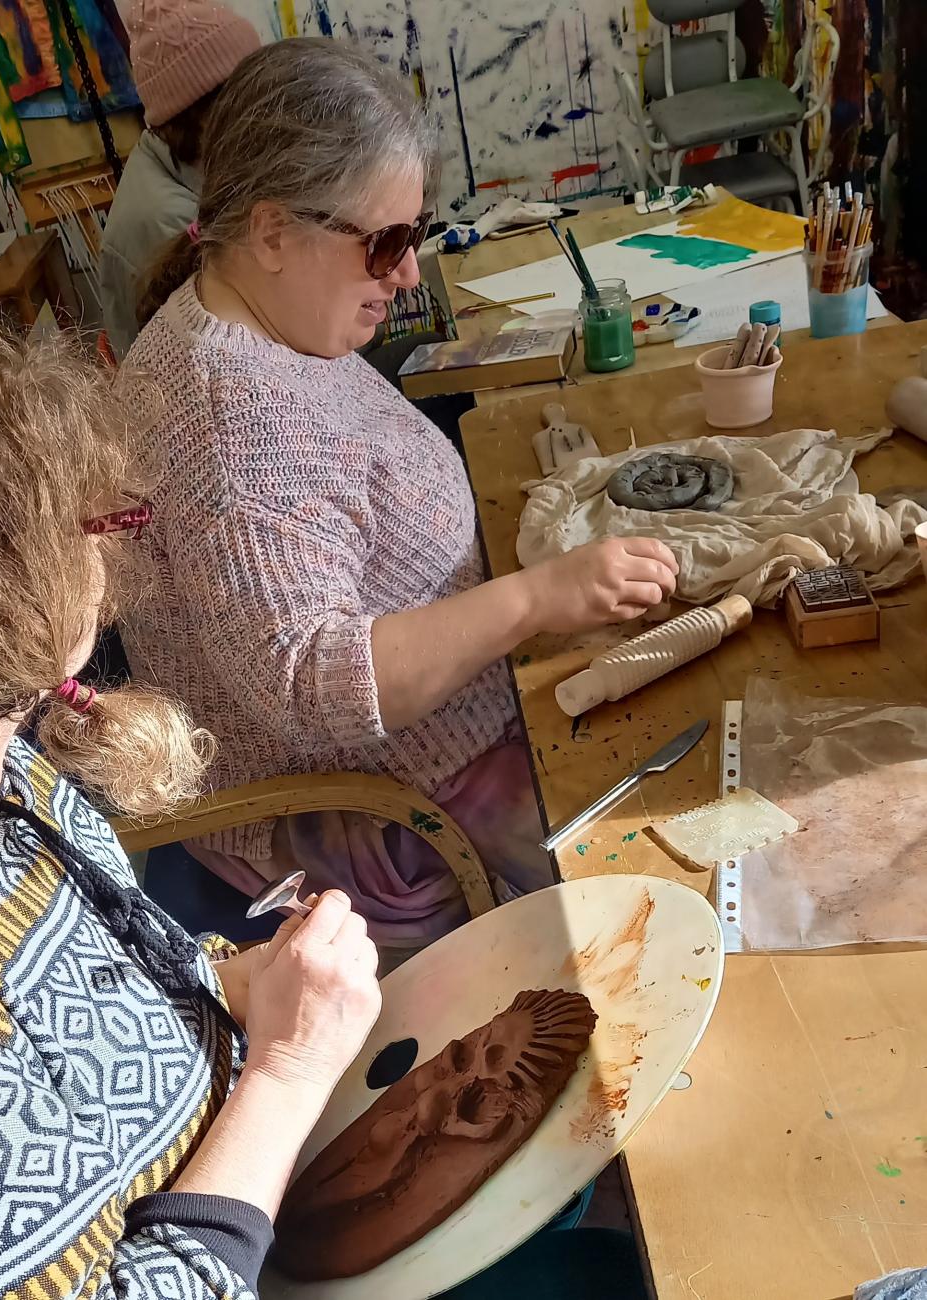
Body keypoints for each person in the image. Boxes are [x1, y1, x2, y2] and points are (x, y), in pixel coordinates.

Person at [0, 311, 380, 1298]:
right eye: (84, 524)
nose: (105, 553)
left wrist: (231, 983)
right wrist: (290, 1070)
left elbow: (104, 998)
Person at [123, 39, 679, 953]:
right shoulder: (227, 420)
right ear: (269, 233)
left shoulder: (275, 326)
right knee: (688, 877)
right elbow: (319, 686)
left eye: (413, 237)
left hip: (452, 738)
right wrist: (536, 598)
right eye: (386, 245)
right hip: (388, 816)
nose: (410, 273)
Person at [99, 0, 260, 359]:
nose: (264, 107)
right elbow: (234, 360)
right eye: (250, 93)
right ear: (205, 112)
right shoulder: (170, 223)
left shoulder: (193, 160)